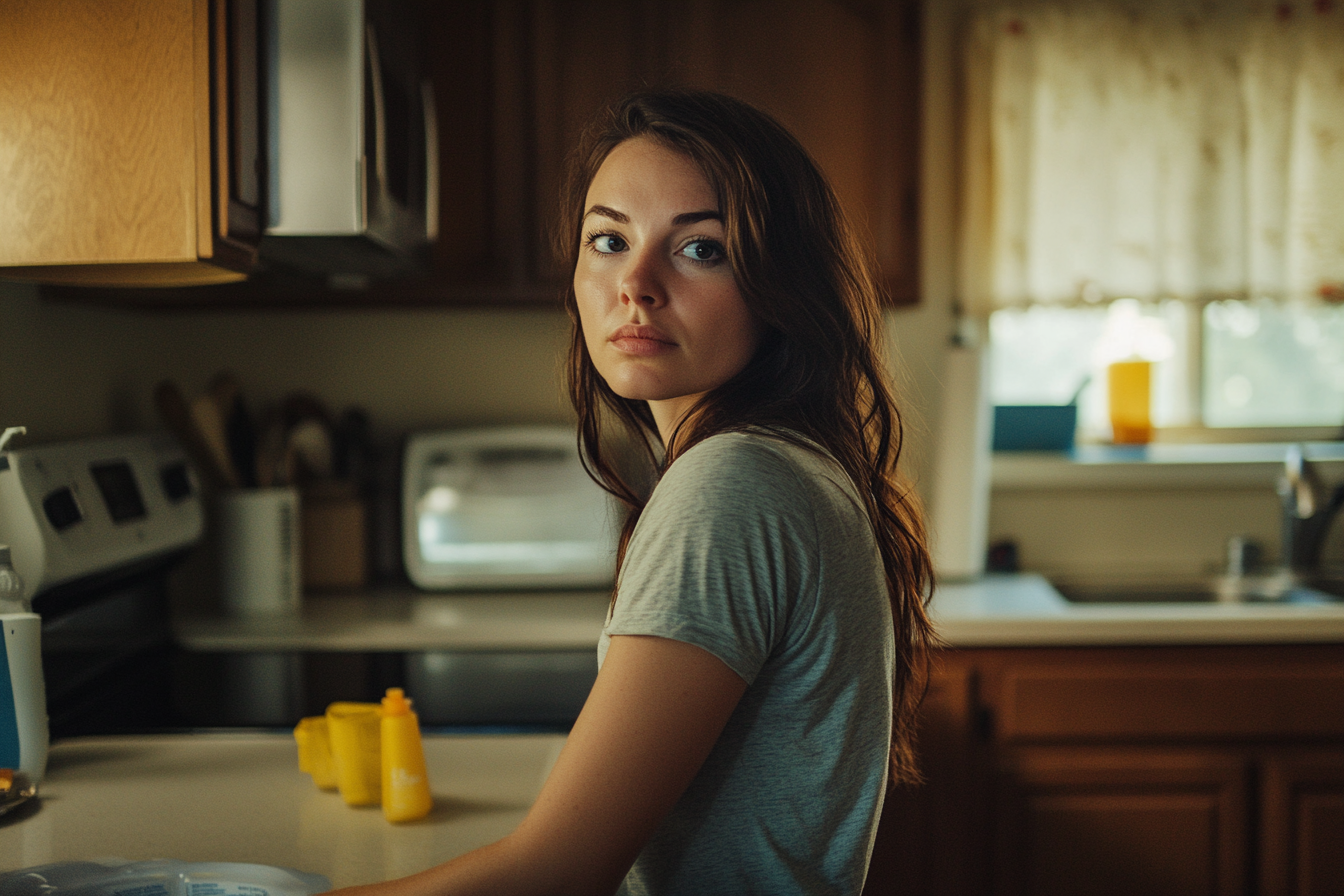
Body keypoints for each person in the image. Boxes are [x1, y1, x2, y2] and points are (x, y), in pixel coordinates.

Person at [333, 89, 935, 896]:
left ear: (779, 283)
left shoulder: (734, 486)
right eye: (609, 239)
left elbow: (555, 874)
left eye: (701, 250)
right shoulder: (792, 463)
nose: (637, 284)